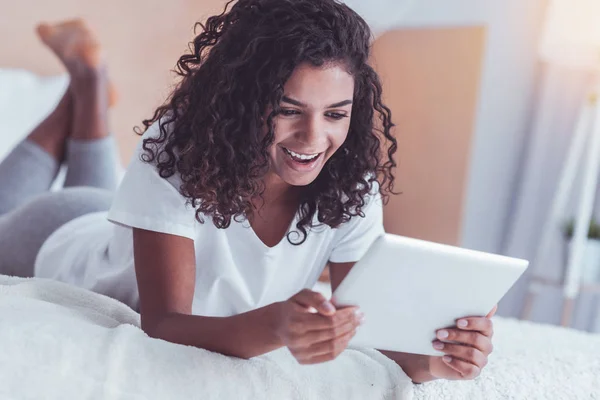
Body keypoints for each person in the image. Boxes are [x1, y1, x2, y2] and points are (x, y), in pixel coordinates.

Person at [0, 0, 496, 384]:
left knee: (103, 188)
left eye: (335, 114)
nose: (312, 138)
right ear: (244, 98)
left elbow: (369, 327)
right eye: (288, 109)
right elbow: (164, 324)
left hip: (114, 224)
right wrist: (277, 328)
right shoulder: (179, 146)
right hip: (55, 235)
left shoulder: (350, 184)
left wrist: (438, 361)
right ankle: (87, 85)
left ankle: (86, 87)